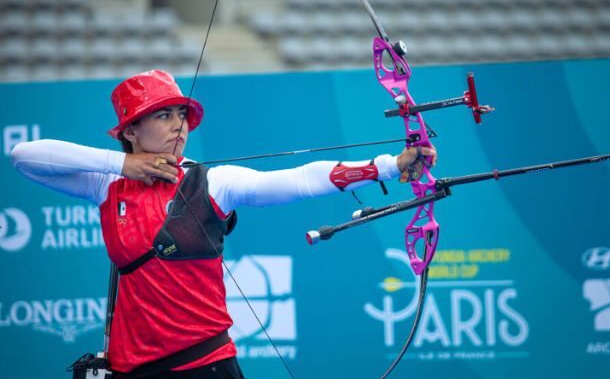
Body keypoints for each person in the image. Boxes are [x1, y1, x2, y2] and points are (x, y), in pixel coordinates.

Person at [10, 69, 436, 379]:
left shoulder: (212, 182)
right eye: (163, 116)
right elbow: (23, 156)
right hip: (130, 370)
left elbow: (299, 180)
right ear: (131, 131)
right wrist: (123, 164)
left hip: (205, 367)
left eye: (181, 114)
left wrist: (387, 165)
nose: (179, 125)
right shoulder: (106, 185)